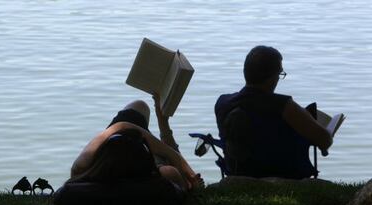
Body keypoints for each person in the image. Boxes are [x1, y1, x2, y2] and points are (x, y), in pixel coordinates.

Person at [215, 45, 333, 179]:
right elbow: (325, 140)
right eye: (280, 74)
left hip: (237, 172)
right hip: (281, 176)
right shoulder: (283, 106)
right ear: (272, 77)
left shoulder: (222, 103)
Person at [67, 94, 202, 196]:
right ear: (147, 161)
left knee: (139, 106)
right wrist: (163, 124)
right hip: (136, 165)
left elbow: (120, 127)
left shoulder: (82, 171)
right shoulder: (164, 177)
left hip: (115, 165)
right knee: (139, 109)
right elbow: (189, 185)